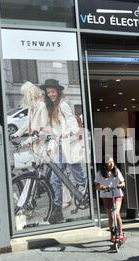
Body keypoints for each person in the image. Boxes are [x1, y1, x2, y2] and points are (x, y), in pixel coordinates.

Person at [40, 79, 86, 224]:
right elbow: (54, 127)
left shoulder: (63, 104)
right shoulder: (51, 107)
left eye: (53, 91)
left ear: (58, 91)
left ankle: (88, 197)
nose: (51, 94)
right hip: (60, 146)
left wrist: (75, 132)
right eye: (48, 92)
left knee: (79, 177)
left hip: (69, 145)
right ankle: (57, 209)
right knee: (55, 179)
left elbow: (71, 119)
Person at [94, 155, 126, 242]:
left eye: (112, 161)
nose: (111, 164)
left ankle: (121, 233)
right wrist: (101, 187)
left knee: (116, 213)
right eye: (109, 162)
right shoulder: (100, 173)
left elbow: (123, 182)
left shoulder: (116, 171)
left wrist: (120, 185)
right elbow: (96, 185)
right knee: (111, 216)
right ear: (105, 164)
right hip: (106, 195)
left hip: (117, 194)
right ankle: (112, 234)